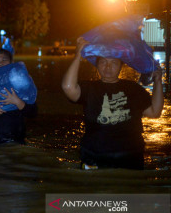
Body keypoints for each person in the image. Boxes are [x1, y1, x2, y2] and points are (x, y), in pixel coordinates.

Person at [61, 37, 164, 170]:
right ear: (97, 65)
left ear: (121, 66)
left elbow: (155, 112)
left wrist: (158, 81)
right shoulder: (89, 88)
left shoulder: (133, 89)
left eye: (114, 63)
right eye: (103, 62)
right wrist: (77, 57)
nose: (108, 67)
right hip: (94, 156)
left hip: (130, 156)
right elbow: (67, 87)